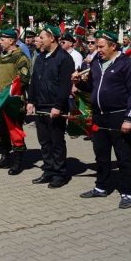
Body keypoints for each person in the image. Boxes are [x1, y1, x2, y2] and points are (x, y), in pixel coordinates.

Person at [73, 31, 131, 209]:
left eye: (101, 46)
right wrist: (79, 82)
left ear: (113, 46)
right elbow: (92, 87)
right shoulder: (96, 63)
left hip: (119, 116)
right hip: (99, 116)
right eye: (97, 46)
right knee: (101, 155)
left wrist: (129, 118)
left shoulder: (127, 64)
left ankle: (127, 192)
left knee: (123, 156)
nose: (98, 50)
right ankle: (101, 186)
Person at [27, 25, 75, 188]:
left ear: (52, 38)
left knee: (56, 141)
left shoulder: (64, 58)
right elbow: (34, 80)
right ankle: (48, 170)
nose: (38, 40)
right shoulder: (40, 57)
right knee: (44, 142)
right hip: (40, 105)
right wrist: (31, 101)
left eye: (41, 37)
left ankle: (59, 173)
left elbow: (65, 85)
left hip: (54, 107)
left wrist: (59, 105)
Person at [0, 29, 31, 175]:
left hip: (14, 101)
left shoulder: (20, 57)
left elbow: (23, 79)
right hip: (0, 101)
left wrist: (9, 91)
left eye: (2, 39)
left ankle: (18, 162)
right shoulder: (1, 56)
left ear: (11, 41)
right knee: (2, 131)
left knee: (15, 132)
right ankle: (5, 157)